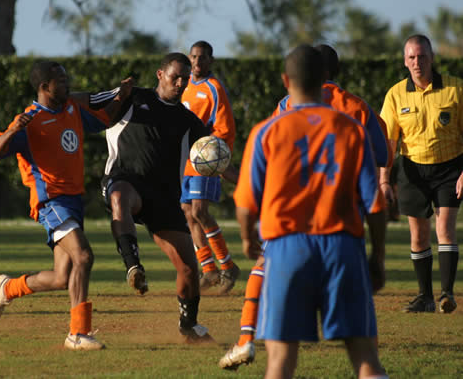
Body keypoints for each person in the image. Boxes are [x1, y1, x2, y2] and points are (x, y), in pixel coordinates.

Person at [220, 43, 392, 370]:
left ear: (286, 80)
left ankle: (246, 339)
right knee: (365, 358)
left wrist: (246, 238)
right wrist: (378, 257)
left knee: (281, 360)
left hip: (287, 248)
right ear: (326, 78)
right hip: (343, 245)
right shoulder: (352, 128)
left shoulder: (266, 131)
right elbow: (375, 203)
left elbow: (245, 203)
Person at [0, 60, 132, 350]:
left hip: (73, 201)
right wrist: (12, 131)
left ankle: (8, 288)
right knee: (84, 256)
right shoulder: (30, 119)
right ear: (44, 87)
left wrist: (121, 96)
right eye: (61, 81)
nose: (67, 85)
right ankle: (77, 333)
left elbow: (105, 119)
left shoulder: (72, 109)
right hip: (50, 200)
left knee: (62, 277)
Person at [101, 52, 214, 342]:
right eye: (175, 77)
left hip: (163, 197)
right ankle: (133, 266)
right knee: (119, 196)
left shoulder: (189, 121)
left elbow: (214, 159)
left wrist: (250, 182)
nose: (180, 83)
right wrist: (117, 96)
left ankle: (189, 325)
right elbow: (91, 109)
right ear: (160, 74)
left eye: (185, 79)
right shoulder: (133, 98)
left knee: (188, 268)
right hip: (126, 180)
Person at [380, 34, 463, 314]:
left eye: (422, 56)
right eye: (412, 57)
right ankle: (424, 297)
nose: (417, 62)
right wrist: (384, 179)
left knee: (445, 229)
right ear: (405, 61)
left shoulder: (455, 89)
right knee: (418, 236)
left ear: (432, 58)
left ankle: (447, 294)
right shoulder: (395, 95)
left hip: (450, 168)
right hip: (412, 170)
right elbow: (389, 142)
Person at [180, 40, 240, 294]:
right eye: (193, 57)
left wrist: (212, 153)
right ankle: (209, 270)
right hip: (184, 160)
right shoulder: (182, 84)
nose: (197, 62)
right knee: (187, 212)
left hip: (204, 159)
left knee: (200, 211)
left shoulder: (214, 88)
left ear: (210, 61)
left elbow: (225, 128)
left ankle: (228, 266)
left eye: (202, 57)